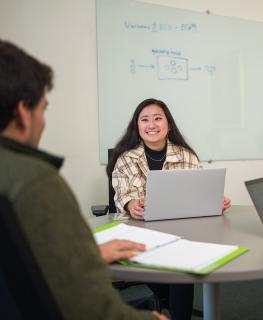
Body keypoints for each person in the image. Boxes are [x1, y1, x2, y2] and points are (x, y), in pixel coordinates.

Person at [0, 40, 166, 319]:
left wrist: (88, 254)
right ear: (22, 114)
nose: (43, 121)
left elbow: (22, 258)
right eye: (42, 110)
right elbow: (89, 308)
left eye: (158, 119)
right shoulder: (35, 181)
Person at [105, 98, 231, 319]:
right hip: (143, 234)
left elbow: (199, 191)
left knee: (180, 269)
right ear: (137, 126)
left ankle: (172, 309)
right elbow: (123, 195)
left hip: (182, 233)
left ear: (168, 125)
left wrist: (214, 201)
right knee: (178, 274)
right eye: (144, 119)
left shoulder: (186, 155)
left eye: (157, 118)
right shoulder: (126, 159)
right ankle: (171, 307)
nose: (151, 124)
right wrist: (132, 205)